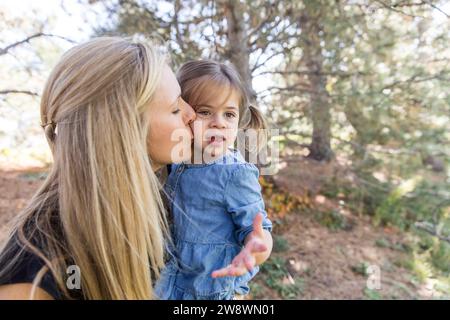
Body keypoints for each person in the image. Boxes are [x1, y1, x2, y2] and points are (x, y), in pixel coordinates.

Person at [0, 36, 197, 299]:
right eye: (175, 109)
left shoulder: (171, 189)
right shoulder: (37, 271)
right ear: (124, 131)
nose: (191, 114)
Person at [154, 60, 273, 300]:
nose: (218, 122)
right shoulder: (174, 160)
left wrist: (255, 249)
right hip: (169, 282)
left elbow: (258, 229)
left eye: (229, 114)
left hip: (209, 289)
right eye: (205, 112)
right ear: (183, 113)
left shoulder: (234, 172)